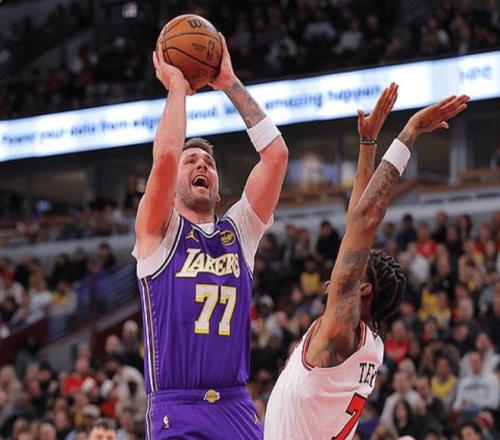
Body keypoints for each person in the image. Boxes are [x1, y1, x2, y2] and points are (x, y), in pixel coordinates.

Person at [265, 90, 469, 439]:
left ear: (362, 289)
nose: (339, 269)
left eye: (353, 271)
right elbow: (356, 225)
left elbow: (364, 221)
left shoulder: (342, 327)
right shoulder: (366, 342)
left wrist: (410, 132)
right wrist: (368, 144)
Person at [132, 34, 288, 439]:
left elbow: (276, 156)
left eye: (209, 162)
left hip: (235, 405)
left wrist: (229, 83)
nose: (202, 164)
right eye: (192, 161)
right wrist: (178, 87)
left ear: (218, 190)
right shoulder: (158, 231)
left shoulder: (239, 232)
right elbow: (165, 158)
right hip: (177, 407)